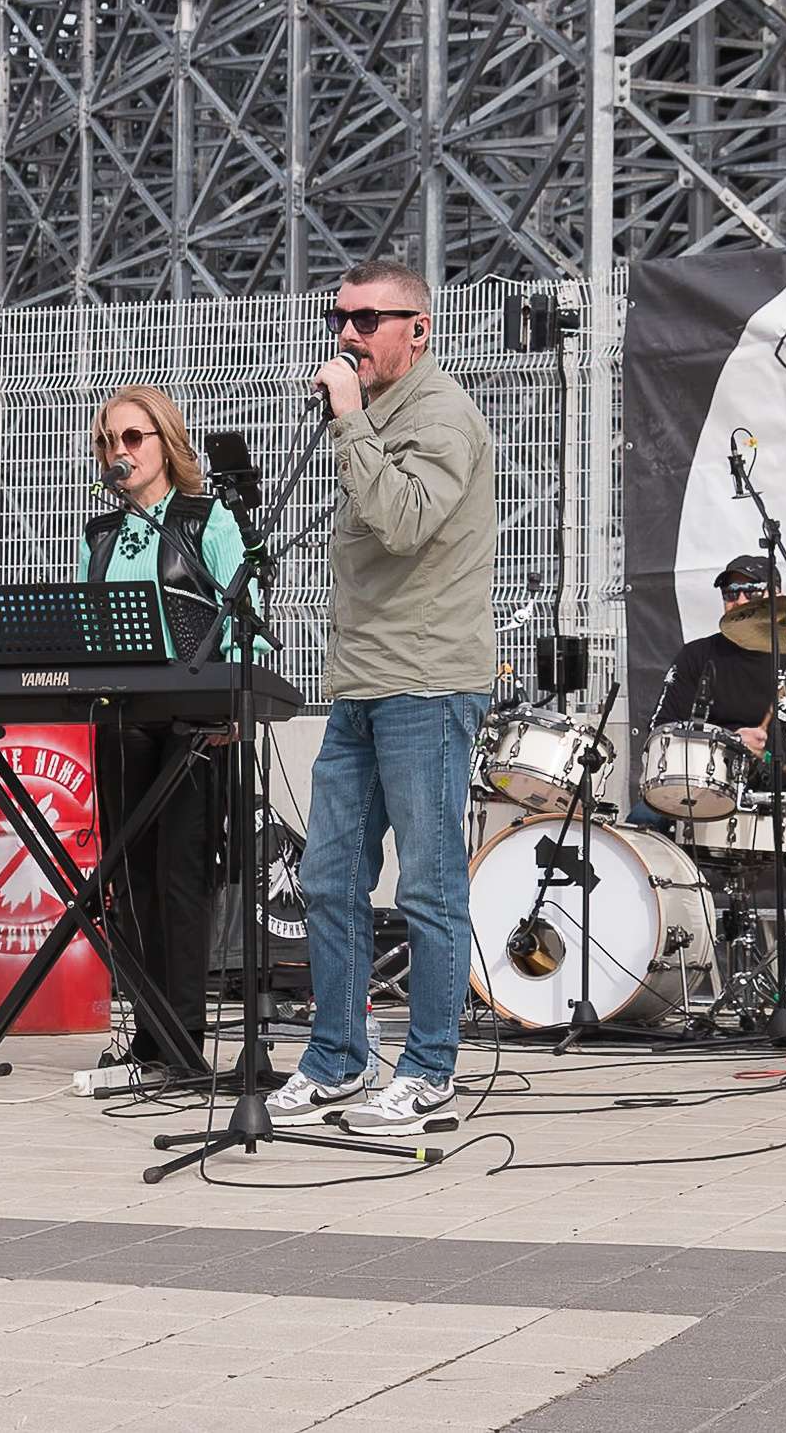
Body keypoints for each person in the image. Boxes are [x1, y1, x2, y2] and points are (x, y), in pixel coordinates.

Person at [265, 258, 496, 1136]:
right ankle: (335, 1058)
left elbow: (402, 521)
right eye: (340, 318)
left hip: (430, 683)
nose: (349, 334)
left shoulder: (439, 415)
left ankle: (430, 1067)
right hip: (362, 684)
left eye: (369, 318)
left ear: (420, 328)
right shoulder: (371, 416)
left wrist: (352, 421)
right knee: (327, 878)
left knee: (430, 887)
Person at [77, 384, 252, 1077]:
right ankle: (148, 1033)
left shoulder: (206, 520)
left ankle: (182, 1036)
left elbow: (245, 615)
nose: (119, 451)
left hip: (193, 716)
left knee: (182, 874)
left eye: (133, 437)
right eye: (107, 441)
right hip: (122, 714)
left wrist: (233, 697)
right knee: (132, 878)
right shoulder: (101, 535)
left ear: (166, 443)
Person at [635, 552, 786, 1007]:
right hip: (702, 790)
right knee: (640, 827)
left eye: (749, 592)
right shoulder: (700, 655)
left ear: (775, 598)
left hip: (777, 795)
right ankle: (631, 965)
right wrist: (725, 737)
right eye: (729, 593)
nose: (737, 600)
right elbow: (661, 727)